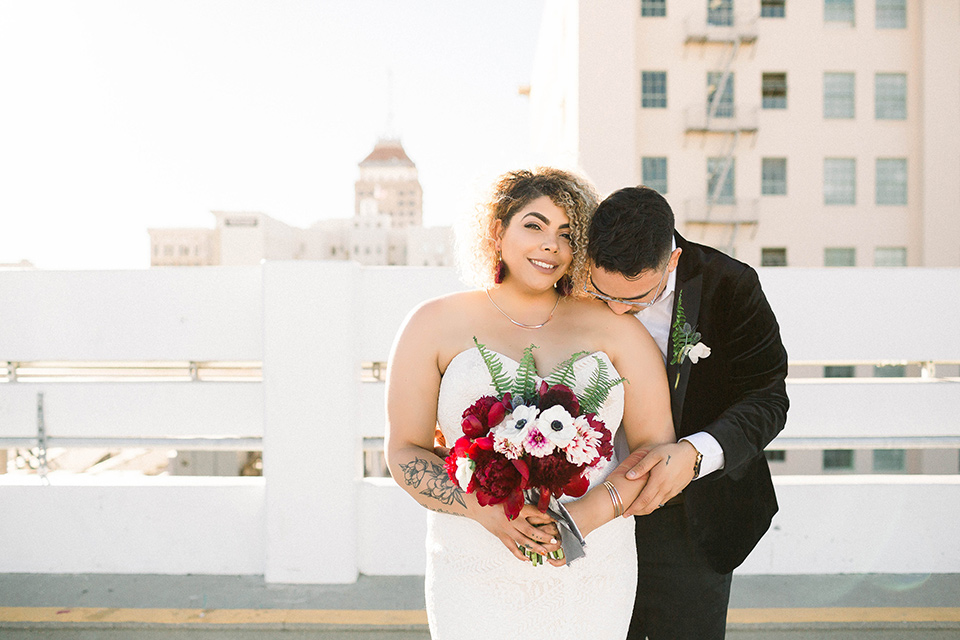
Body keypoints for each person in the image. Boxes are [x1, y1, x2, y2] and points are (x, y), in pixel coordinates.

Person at [385, 168, 675, 640]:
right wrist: (480, 508)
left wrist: (583, 520)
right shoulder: (432, 323)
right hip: (473, 562)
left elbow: (655, 450)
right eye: (534, 225)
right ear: (498, 231)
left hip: (593, 567)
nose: (551, 246)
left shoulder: (619, 329)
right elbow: (404, 451)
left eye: (566, 233)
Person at [584, 186, 789, 640]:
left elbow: (769, 397)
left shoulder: (730, 284)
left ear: (671, 262)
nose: (616, 311)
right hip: (587, 507)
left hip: (692, 519)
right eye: (603, 294)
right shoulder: (568, 280)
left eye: (635, 300)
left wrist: (695, 455)